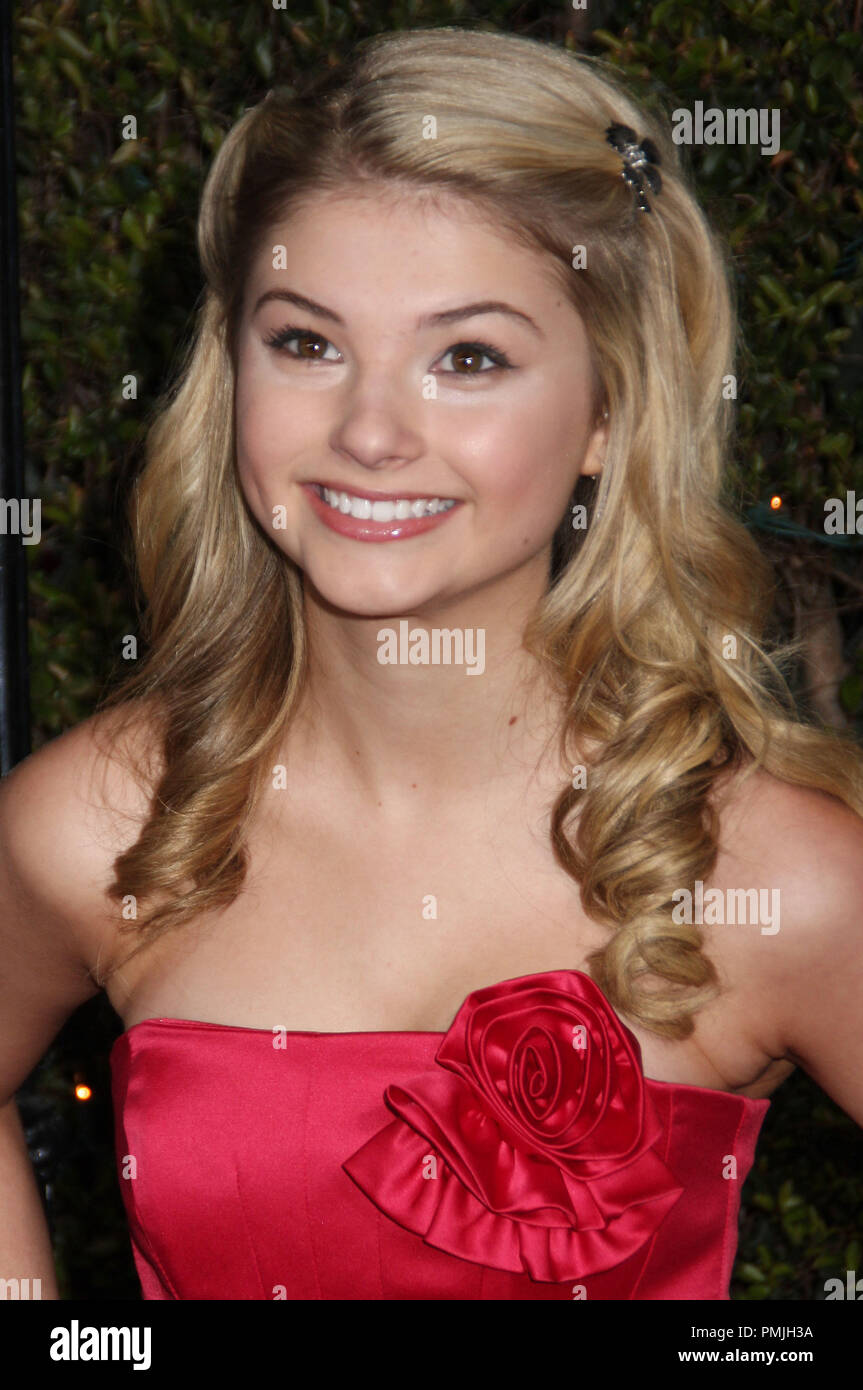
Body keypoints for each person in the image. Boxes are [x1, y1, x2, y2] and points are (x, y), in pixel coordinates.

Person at [1, 26, 861, 1302]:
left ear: (607, 416)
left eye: (467, 358)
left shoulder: (776, 881)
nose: (367, 430)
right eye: (305, 342)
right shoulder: (102, 821)